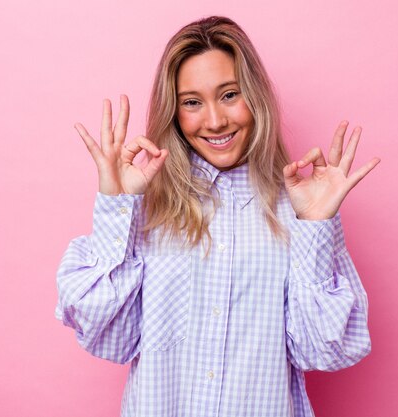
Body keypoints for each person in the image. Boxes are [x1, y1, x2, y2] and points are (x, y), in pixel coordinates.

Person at [55, 15, 380, 417]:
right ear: (174, 113)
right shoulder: (147, 208)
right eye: (192, 102)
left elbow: (324, 351)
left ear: (255, 96)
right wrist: (117, 203)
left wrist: (314, 226)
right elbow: (111, 337)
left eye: (229, 94)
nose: (214, 121)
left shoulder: (298, 208)